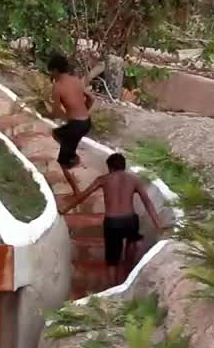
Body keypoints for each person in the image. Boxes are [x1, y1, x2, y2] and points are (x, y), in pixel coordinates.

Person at [61, 153, 164, 286]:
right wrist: (158, 224)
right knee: (132, 241)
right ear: (124, 166)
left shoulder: (103, 179)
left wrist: (65, 209)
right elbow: (147, 202)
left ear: (110, 167)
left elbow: (83, 196)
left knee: (112, 260)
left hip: (112, 222)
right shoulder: (134, 179)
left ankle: (113, 287)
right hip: (130, 220)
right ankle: (128, 273)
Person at [48, 53, 94, 194]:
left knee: (62, 162)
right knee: (56, 133)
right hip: (87, 122)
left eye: (51, 71)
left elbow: (56, 112)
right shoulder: (76, 80)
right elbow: (91, 98)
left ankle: (77, 191)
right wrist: (84, 110)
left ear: (55, 70)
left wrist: (65, 116)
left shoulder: (57, 87)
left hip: (75, 126)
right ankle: (72, 155)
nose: (51, 74)